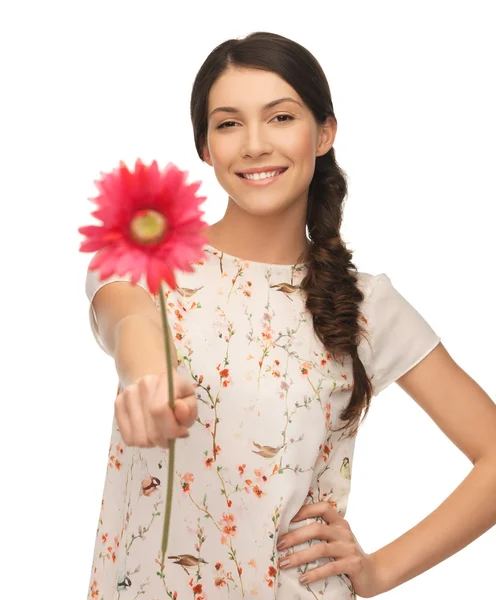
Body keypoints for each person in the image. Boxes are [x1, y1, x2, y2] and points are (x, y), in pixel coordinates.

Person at [85, 31, 496, 600]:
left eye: (280, 117)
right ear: (205, 147)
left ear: (324, 133)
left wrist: (378, 572)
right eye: (228, 124)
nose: (254, 144)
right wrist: (149, 378)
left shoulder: (366, 305)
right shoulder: (145, 252)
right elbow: (126, 320)